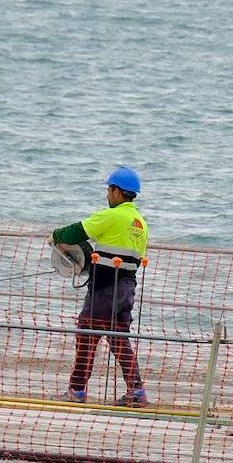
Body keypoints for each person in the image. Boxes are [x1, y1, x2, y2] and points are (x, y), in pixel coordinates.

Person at [50, 166, 150, 407]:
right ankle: (136, 392)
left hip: (104, 289)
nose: (107, 195)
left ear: (116, 191)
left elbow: (76, 232)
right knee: (119, 339)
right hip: (127, 288)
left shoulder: (112, 216)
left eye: (109, 189)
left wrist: (55, 235)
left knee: (86, 334)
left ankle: (77, 391)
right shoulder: (140, 223)